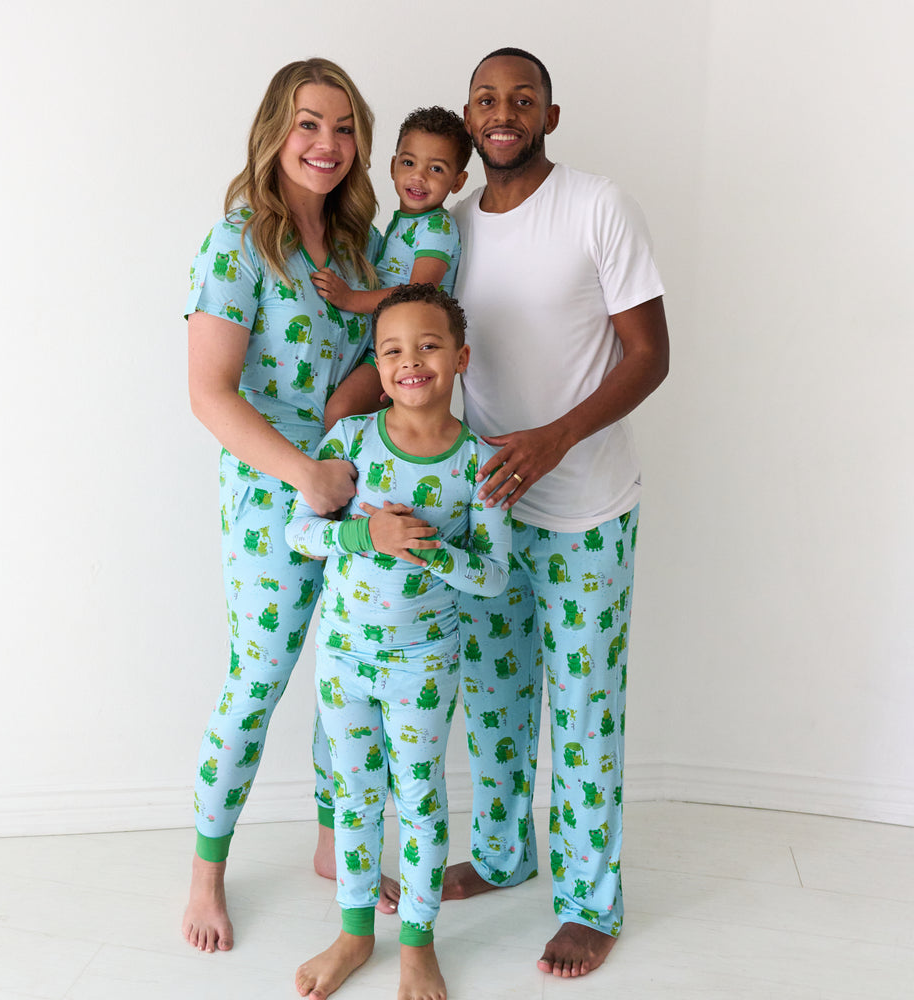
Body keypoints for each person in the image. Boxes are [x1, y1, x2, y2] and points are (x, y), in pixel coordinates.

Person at [442, 48, 670, 978]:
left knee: (580, 706)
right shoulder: (449, 228)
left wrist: (556, 437)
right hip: (489, 514)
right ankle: (502, 856)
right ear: (468, 116)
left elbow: (649, 355)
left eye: (522, 100)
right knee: (495, 703)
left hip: (585, 508)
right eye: (488, 100)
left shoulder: (597, 205)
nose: (505, 113)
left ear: (551, 114)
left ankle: (591, 902)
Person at [181, 57, 388, 954]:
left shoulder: (356, 249)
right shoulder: (236, 245)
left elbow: (390, 350)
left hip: (353, 494)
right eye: (310, 124)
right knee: (259, 681)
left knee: (350, 677)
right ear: (276, 130)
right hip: (275, 498)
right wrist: (304, 472)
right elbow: (210, 393)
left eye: (344, 128)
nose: (328, 144)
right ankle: (205, 875)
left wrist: (357, 404)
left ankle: (331, 844)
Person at [287, 283, 511, 1000]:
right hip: (345, 657)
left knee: (418, 795)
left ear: (461, 357)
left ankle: (417, 944)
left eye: (428, 345)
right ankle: (355, 934)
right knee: (354, 794)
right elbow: (300, 533)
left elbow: (494, 576)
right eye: (391, 350)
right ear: (378, 368)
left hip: (423, 663)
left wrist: (433, 551)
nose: (410, 360)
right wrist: (367, 532)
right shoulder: (351, 440)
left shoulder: (479, 463)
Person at [313, 107, 471, 432]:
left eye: (436, 169)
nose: (419, 176)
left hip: (406, 350)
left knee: (339, 413)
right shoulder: (399, 225)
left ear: (458, 182)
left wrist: (349, 299)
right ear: (392, 166)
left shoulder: (437, 228)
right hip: (384, 345)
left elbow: (417, 292)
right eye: (409, 163)